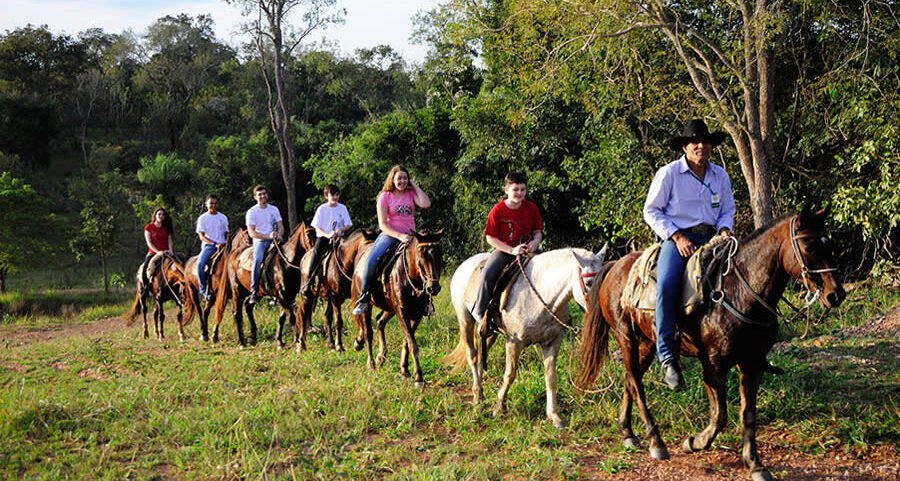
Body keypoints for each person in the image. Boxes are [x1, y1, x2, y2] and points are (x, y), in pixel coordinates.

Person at [643, 119, 736, 390]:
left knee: (741, 278)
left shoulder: (720, 175)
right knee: (668, 286)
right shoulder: (669, 173)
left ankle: (742, 345)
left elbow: (727, 209)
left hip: (712, 236)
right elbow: (651, 211)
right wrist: (676, 236)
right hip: (678, 237)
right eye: (695, 142)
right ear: (685, 147)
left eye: (706, 142)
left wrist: (725, 229)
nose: (701, 146)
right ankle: (667, 354)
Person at [352, 165, 431, 315]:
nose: (402, 181)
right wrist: (399, 236)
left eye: (405, 178)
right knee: (372, 260)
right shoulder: (385, 197)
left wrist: (414, 185)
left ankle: (425, 301)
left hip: (411, 235)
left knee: (425, 259)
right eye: (399, 178)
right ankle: (364, 297)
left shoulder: (411, 193)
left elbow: (426, 204)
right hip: (390, 234)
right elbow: (382, 224)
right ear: (392, 179)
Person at [472, 171, 543, 332]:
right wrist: (512, 250)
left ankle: (558, 314)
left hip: (527, 249)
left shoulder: (531, 208)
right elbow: (490, 238)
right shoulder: (497, 210)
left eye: (522, 189)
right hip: (504, 250)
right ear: (506, 190)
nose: (519, 193)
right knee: (488, 273)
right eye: (515, 189)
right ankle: (480, 313)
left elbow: (538, 232)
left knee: (550, 269)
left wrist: (534, 242)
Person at [301, 184, 353, 296]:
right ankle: (309, 282)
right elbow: (316, 226)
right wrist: (328, 234)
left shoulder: (342, 208)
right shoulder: (322, 209)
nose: (335, 197)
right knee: (316, 253)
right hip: (324, 237)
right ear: (326, 196)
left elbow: (348, 224)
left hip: (339, 237)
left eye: (337, 195)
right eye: (332, 195)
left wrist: (340, 230)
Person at [245, 185, 284, 305]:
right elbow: (252, 233)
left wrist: (279, 235)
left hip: (275, 239)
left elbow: (281, 226)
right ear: (255, 197)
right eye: (260, 194)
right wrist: (268, 236)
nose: (263, 196)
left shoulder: (274, 209)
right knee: (257, 260)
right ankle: (254, 290)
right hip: (260, 240)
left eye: (264, 194)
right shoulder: (252, 212)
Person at [195, 195, 229, 301]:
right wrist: (214, 244)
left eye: (215, 203)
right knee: (200, 264)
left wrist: (227, 241)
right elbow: (201, 236)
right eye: (211, 203)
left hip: (224, 246)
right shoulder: (202, 218)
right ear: (206, 204)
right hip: (210, 246)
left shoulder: (223, 217)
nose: (213, 205)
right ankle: (203, 291)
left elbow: (226, 232)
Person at [141, 207, 175, 291]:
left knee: (181, 261)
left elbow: (169, 240)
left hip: (166, 252)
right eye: (159, 214)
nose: (161, 216)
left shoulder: (166, 228)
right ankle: (145, 287)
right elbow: (149, 242)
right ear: (155, 215)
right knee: (146, 267)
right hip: (154, 253)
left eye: (163, 215)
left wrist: (170, 250)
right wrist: (158, 252)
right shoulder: (149, 227)